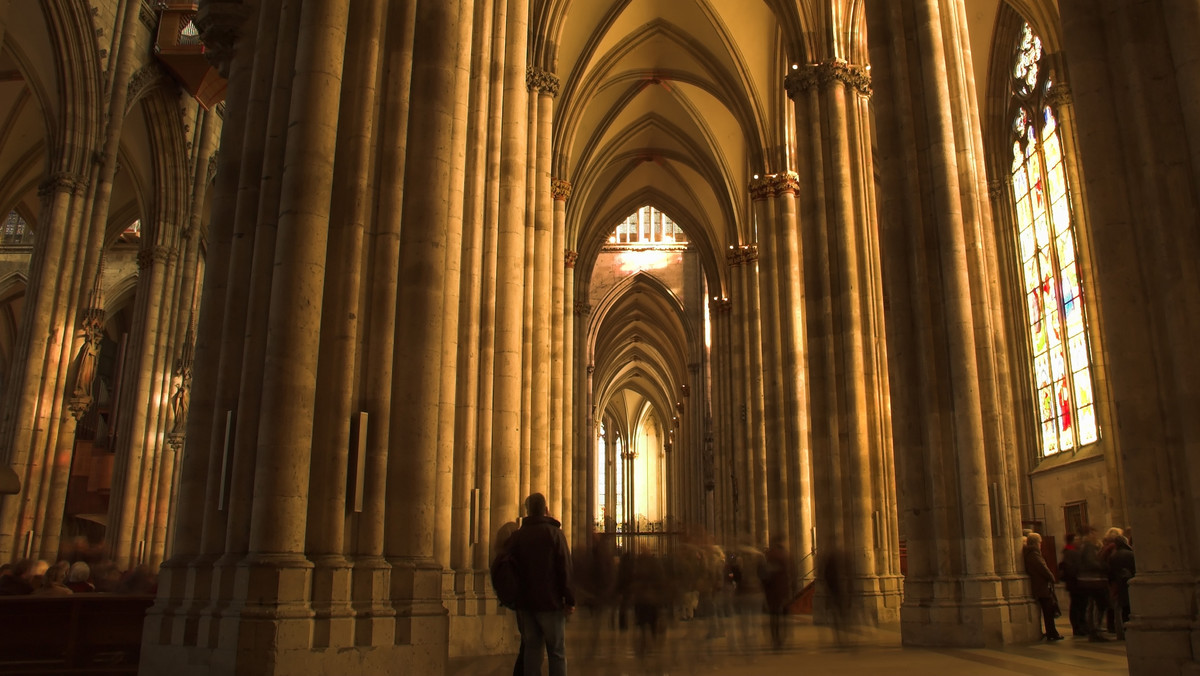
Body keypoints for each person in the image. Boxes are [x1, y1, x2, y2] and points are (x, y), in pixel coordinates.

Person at [508, 492, 575, 676]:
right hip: (551, 604)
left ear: (527, 511)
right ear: (546, 510)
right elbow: (565, 568)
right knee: (556, 653)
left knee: (531, 651)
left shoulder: (518, 536)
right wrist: (569, 600)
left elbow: (510, 569)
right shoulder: (555, 533)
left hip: (526, 605)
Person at [1023, 532, 1063, 640]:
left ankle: (1051, 632)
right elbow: (1042, 568)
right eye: (1040, 542)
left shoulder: (1031, 553)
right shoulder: (1033, 554)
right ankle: (1052, 633)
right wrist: (1051, 577)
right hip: (1042, 587)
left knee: (1048, 611)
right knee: (1048, 611)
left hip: (1040, 586)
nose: (1040, 544)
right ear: (1036, 543)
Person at [760, 537, 792, 649]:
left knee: (774, 617)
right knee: (781, 616)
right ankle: (780, 638)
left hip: (772, 593)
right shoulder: (784, 556)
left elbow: (765, 576)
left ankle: (775, 639)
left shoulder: (769, 556)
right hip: (782, 591)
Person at [1060, 532, 1086, 636]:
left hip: (1077, 583)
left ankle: (1081, 626)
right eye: (1076, 540)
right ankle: (1077, 627)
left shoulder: (1073, 551)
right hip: (1075, 583)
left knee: (1080, 605)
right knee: (1076, 605)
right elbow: (1071, 569)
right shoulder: (1069, 552)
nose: (1079, 541)